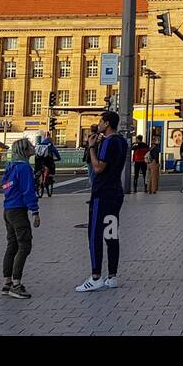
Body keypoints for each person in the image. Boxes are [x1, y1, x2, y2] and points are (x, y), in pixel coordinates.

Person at [77, 110, 128, 292]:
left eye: (100, 121)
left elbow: (98, 167)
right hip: (116, 193)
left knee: (95, 234)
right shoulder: (122, 141)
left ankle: (96, 276)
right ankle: (112, 275)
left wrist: (91, 147)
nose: (98, 124)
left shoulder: (108, 142)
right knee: (111, 233)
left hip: (102, 193)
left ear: (106, 124)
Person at [0, 138, 41, 299]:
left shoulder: (10, 167)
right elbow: (28, 191)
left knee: (12, 245)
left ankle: (7, 282)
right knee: (25, 245)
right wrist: (35, 211)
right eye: (30, 146)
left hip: (8, 209)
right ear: (24, 150)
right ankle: (17, 284)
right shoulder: (24, 168)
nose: (33, 147)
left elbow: (5, 186)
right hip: (18, 210)